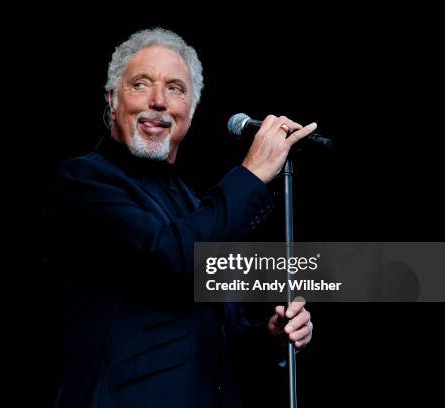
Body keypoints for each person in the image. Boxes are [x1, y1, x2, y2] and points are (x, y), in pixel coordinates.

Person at [43, 27, 314, 407]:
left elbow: (219, 340)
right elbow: (168, 260)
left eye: (175, 88)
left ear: (192, 109)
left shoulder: (195, 206)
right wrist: (251, 176)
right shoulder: (83, 182)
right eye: (141, 84)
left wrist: (270, 336)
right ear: (112, 99)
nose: (158, 101)